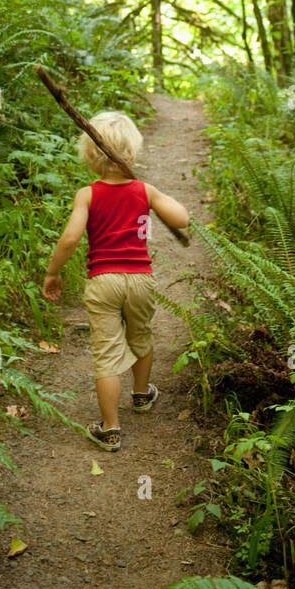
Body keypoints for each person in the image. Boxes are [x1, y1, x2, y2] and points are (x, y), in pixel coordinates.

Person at [41, 111, 189, 451]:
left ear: (90, 156)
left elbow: (69, 240)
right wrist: (153, 195)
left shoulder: (88, 194)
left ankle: (110, 429)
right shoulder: (144, 190)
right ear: (132, 153)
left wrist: (53, 272)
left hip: (103, 280)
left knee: (106, 354)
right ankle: (140, 395)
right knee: (141, 337)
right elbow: (182, 219)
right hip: (140, 279)